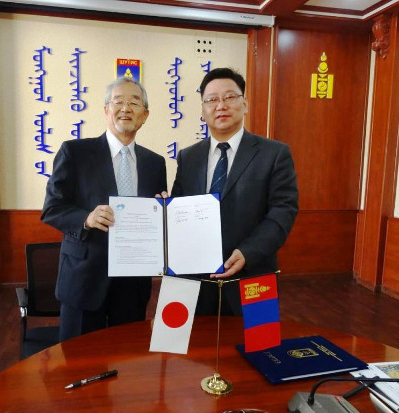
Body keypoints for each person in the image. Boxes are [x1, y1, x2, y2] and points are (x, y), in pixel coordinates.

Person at [41, 77, 167, 341]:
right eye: (117, 101)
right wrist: (86, 218)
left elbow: (154, 218)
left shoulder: (155, 163)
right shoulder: (75, 152)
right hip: (84, 279)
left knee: (127, 359)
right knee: (79, 363)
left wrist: (164, 208)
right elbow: (52, 207)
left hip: (133, 282)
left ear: (145, 115)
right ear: (105, 110)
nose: (125, 108)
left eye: (134, 102)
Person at [170, 67, 298, 316]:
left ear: (245, 103)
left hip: (255, 274)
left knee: (260, 350)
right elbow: (179, 209)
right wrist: (165, 207)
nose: (221, 106)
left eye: (230, 97)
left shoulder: (274, 154)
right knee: (193, 351)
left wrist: (247, 252)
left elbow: (283, 212)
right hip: (195, 279)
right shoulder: (189, 157)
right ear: (203, 109)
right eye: (212, 100)